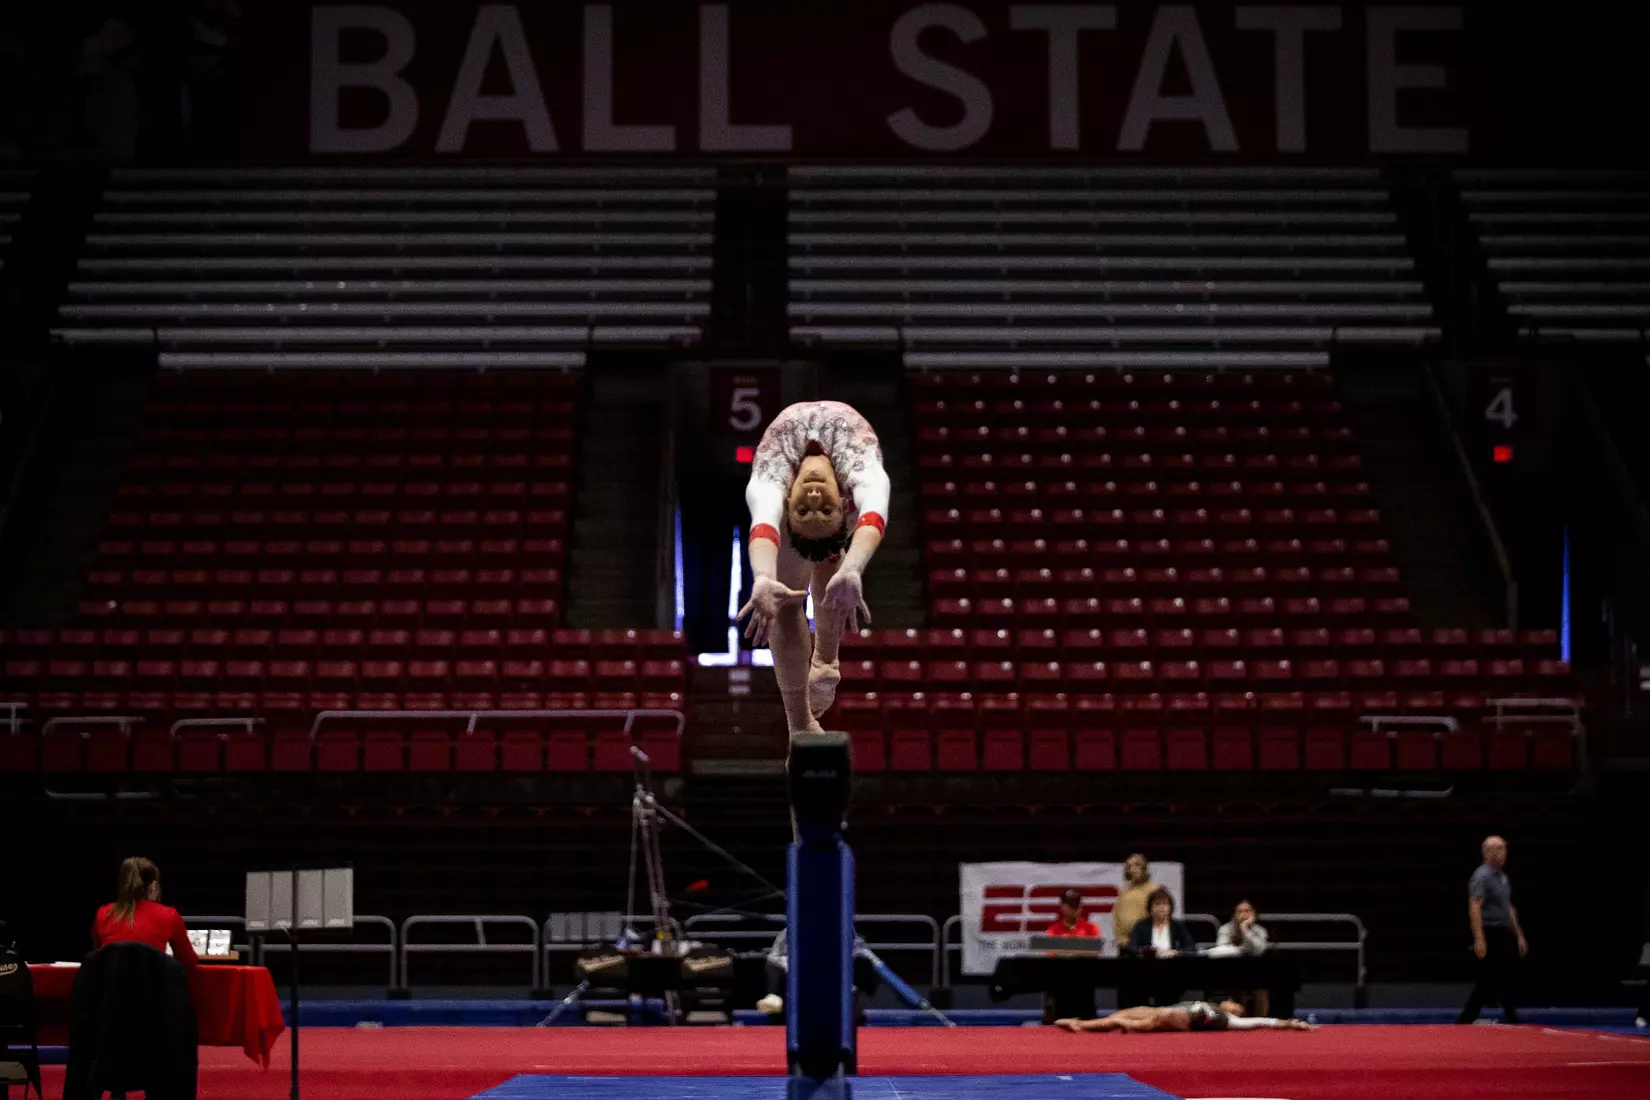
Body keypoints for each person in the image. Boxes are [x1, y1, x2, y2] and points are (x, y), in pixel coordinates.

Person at [737, 401, 890, 736]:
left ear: (789, 506)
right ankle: (807, 707)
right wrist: (852, 568)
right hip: (841, 500)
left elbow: (763, 527)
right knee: (811, 582)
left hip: (794, 484)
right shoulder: (862, 472)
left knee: (797, 590)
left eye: (805, 509)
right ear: (843, 504)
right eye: (822, 508)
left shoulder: (770, 482)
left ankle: (820, 672)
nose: (815, 497)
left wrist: (763, 576)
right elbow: (874, 517)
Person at [1459, 834, 1527, 1025]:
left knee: (1503, 977)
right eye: (1497, 848)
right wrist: (1480, 938)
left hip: (1502, 932)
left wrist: (1519, 935)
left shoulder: (1502, 877)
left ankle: (1511, 1017)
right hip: (1490, 931)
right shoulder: (1482, 876)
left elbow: (1508, 908)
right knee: (1488, 979)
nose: (1502, 852)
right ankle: (1465, 1021)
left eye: (1503, 848)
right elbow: (1474, 907)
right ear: (1487, 852)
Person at [91, 856, 198, 975]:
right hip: (154, 991)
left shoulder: (104, 914)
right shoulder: (169, 915)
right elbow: (189, 962)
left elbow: (98, 956)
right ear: (153, 885)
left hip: (110, 990)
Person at [1054, 1000, 1314, 1033]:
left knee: (1125, 1021)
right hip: (1167, 1009)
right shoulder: (1213, 1002)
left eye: (1237, 1008)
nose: (1233, 1006)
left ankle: (1083, 1025)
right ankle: (1081, 1023)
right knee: (1123, 1013)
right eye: (1232, 1002)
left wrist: (1290, 1023)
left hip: (1176, 1019)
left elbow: (1263, 1022)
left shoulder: (1232, 1021)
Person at [1125, 887, 1195, 958]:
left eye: (1165, 903)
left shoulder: (1177, 925)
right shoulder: (1140, 925)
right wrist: (1147, 951)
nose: (1161, 907)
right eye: (1157, 904)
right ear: (1150, 907)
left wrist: (1176, 952)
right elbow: (1131, 947)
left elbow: (1191, 947)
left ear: (1170, 907)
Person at [1112, 853, 1156, 946]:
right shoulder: (1123, 890)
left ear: (1144, 868)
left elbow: (1159, 917)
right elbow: (1117, 915)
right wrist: (1119, 937)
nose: (1133, 869)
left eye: (1137, 865)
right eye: (1129, 866)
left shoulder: (1154, 890)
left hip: (1145, 943)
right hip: (1124, 943)